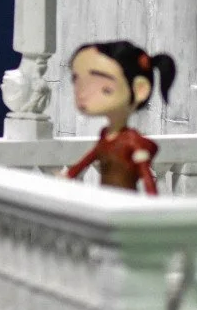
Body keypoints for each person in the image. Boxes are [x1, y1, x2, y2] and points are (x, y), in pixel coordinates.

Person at [63, 40, 175, 195]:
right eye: (77, 81)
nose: (82, 93)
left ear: (140, 90)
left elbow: (146, 175)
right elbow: (88, 159)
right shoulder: (105, 136)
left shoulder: (132, 141)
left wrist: (152, 200)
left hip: (125, 201)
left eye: (105, 89)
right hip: (106, 200)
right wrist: (69, 174)